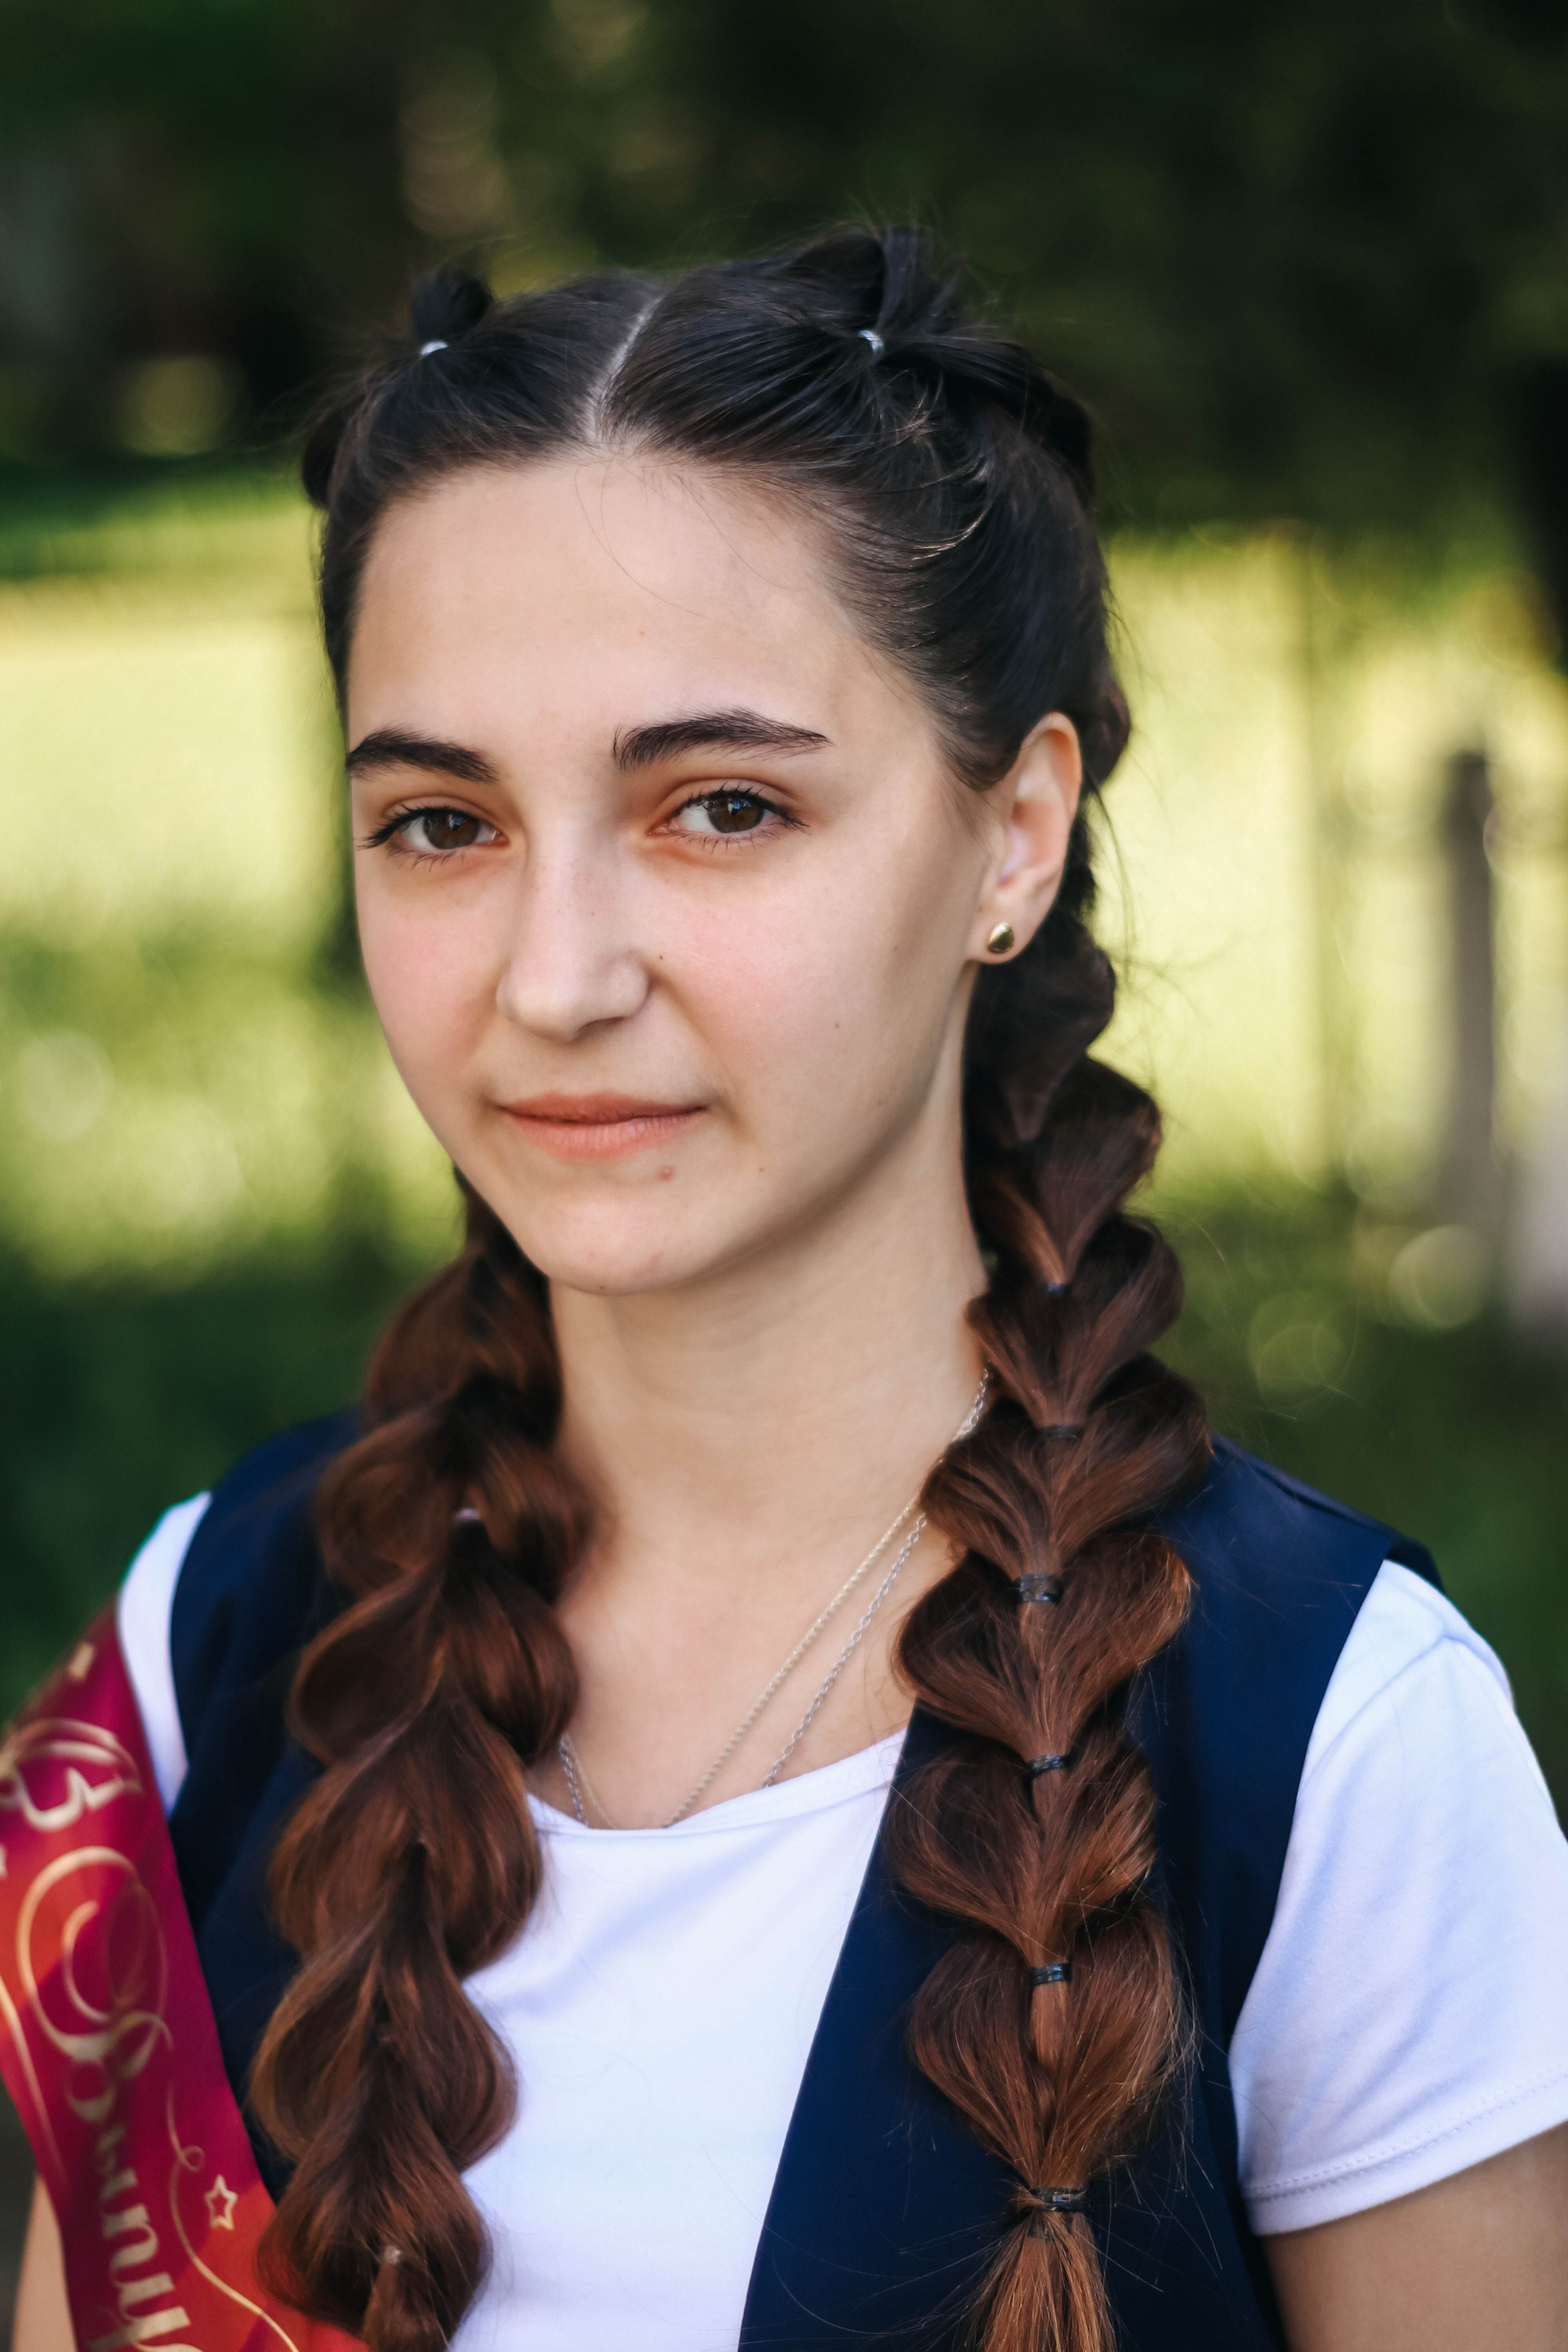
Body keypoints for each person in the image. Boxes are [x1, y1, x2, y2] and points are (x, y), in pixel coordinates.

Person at [5, 226, 1568, 2352]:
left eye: (720, 807)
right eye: (443, 824)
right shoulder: (219, 1638)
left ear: (1015, 834)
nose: (556, 977)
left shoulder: (1337, 1747)